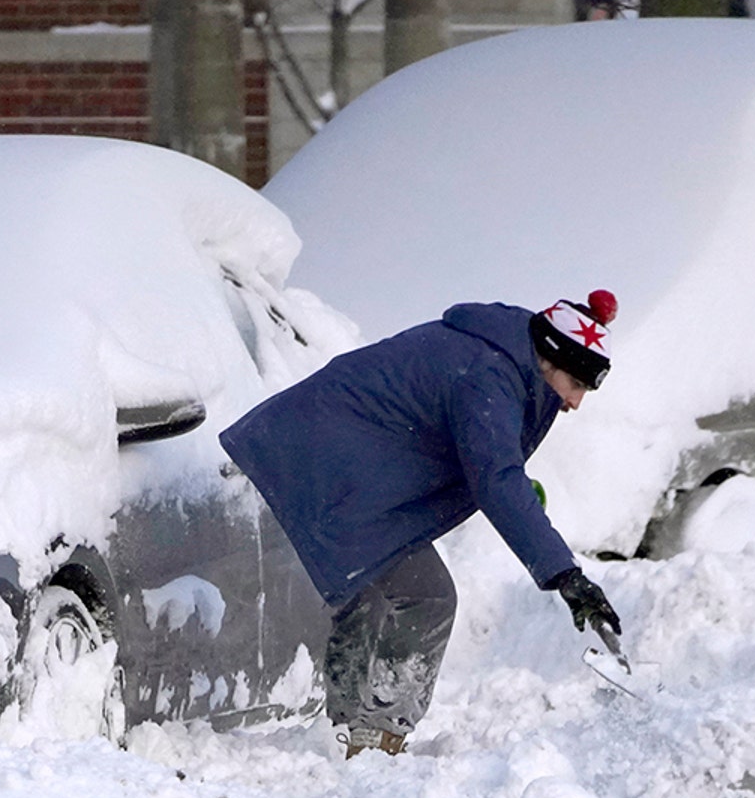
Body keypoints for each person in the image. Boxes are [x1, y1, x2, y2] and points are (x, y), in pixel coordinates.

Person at [219, 291, 625, 758]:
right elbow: (496, 477)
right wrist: (565, 575)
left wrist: (508, 485)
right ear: (550, 356)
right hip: (324, 470)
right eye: (575, 383)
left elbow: (490, 462)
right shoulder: (489, 376)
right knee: (427, 598)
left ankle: (348, 729)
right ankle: (377, 736)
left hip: (312, 458)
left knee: (368, 591)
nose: (575, 402)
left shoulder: (497, 357)